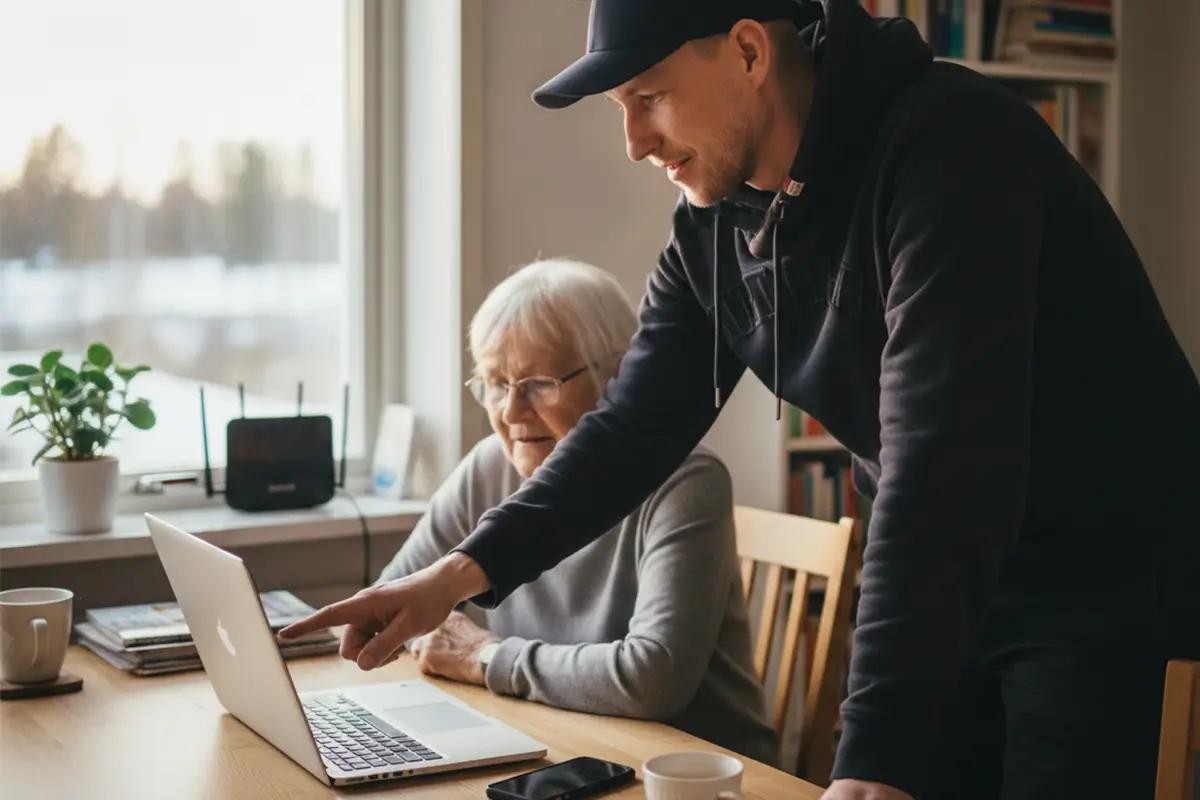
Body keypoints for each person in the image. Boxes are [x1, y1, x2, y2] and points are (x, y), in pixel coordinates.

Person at [282, 1, 1200, 798]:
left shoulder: (954, 149)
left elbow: (937, 465)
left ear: (750, 52)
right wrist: (453, 575)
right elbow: (629, 431)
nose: (634, 142)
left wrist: (873, 755)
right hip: (952, 579)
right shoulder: (714, 230)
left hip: (1098, 570)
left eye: (649, 97)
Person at [363, 258, 778, 765]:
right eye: (495, 384)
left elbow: (652, 680)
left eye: (538, 383)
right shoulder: (487, 467)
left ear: (619, 375)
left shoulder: (686, 480)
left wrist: (484, 656)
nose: (511, 412)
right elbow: (395, 610)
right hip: (555, 745)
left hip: (697, 771)